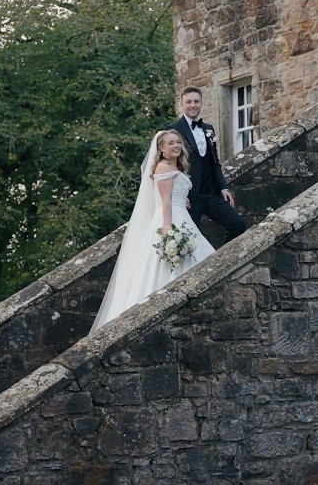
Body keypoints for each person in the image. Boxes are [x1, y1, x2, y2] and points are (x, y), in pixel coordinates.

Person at [90, 130, 216, 332]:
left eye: (178, 142)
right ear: (161, 149)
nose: (175, 146)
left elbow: (170, 194)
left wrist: (182, 198)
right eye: (170, 143)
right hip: (171, 219)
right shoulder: (163, 166)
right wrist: (168, 228)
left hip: (180, 214)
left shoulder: (176, 166)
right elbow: (165, 200)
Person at [172, 86, 248, 243]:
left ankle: (221, 262)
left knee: (237, 225)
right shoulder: (173, 129)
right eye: (189, 102)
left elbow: (215, 162)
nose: (193, 105)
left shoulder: (209, 129)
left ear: (201, 103)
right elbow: (169, 165)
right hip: (190, 197)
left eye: (196, 101)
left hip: (211, 193)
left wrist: (223, 187)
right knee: (189, 240)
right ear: (182, 103)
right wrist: (179, 195)